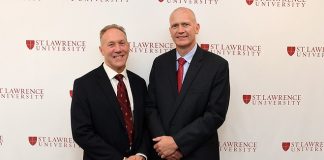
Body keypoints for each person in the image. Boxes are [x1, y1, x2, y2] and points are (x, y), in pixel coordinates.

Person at [145, 7, 230, 160]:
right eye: (175, 26)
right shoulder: (159, 63)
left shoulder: (217, 65)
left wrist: (177, 143)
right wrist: (164, 145)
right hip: (163, 154)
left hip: (199, 152)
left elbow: (215, 114)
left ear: (197, 28)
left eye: (186, 24)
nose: (180, 30)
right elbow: (151, 107)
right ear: (170, 31)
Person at [71, 24, 148, 160]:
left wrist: (141, 154)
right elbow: (81, 132)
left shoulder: (139, 83)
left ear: (128, 46)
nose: (118, 49)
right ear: (101, 50)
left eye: (122, 43)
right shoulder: (84, 85)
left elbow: (146, 125)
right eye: (111, 44)